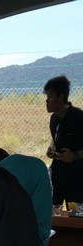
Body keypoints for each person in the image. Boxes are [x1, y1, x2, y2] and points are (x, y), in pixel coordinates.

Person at [44, 75, 83, 206]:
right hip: (58, 175)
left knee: (76, 214)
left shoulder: (79, 118)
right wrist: (52, 148)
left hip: (78, 178)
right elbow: (55, 138)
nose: (46, 101)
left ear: (61, 97)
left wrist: (75, 155)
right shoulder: (54, 119)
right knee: (55, 211)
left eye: (50, 96)